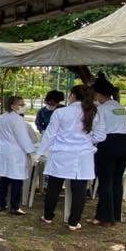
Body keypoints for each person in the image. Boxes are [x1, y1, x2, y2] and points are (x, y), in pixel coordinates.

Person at [36, 85, 106, 231]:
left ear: (73, 95)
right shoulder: (93, 112)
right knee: (79, 190)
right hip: (82, 155)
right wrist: (86, 140)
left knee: (54, 187)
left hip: (61, 154)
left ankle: (48, 216)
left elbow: (50, 134)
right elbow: (101, 135)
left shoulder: (61, 112)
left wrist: (39, 152)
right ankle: (73, 222)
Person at [91, 79, 126, 226]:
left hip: (108, 144)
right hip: (124, 144)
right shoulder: (120, 107)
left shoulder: (101, 109)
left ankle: (104, 217)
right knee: (116, 180)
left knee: (105, 181)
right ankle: (115, 213)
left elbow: (96, 128)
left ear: (98, 93)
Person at [0, 95, 36, 215]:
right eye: (20, 105)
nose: (23, 107)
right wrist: (30, 151)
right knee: (17, 180)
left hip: (4, 150)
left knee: (4, 178)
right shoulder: (17, 119)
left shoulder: (3, 117)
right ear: (12, 106)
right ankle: (15, 206)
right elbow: (22, 137)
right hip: (15, 152)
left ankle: (1, 203)